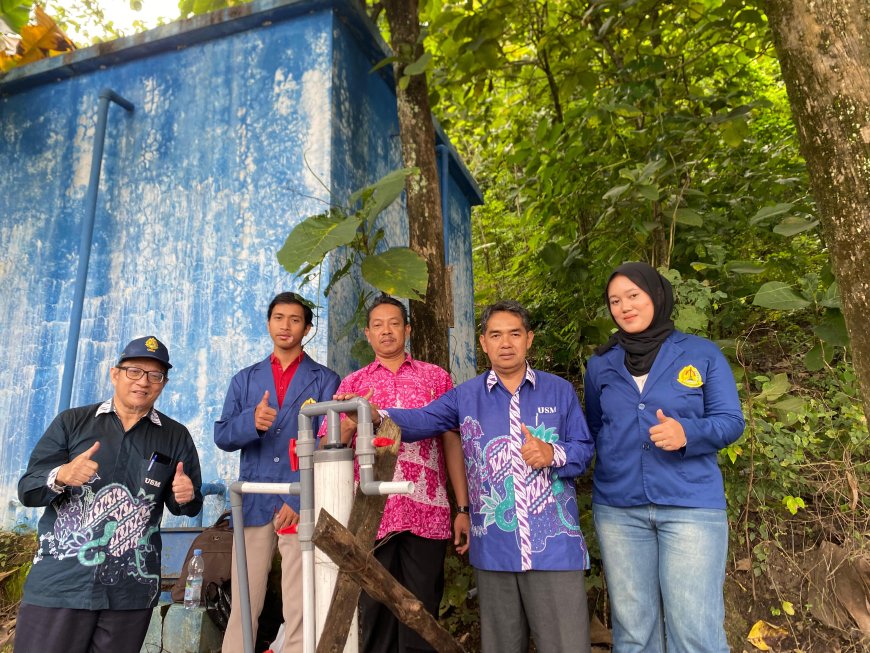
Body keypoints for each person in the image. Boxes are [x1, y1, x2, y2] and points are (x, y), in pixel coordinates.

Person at [346, 300, 594, 653]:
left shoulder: (559, 391)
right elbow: (423, 420)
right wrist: (377, 415)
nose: (505, 343)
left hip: (554, 548)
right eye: (496, 335)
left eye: (514, 334)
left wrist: (553, 454)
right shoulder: (466, 396)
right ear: (483, 342)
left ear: (529, 339)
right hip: (495, 547)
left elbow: (584, 450)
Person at [583, 262, 745, 653]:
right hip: (619, 508)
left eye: (633, 296)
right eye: (615, 301)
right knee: (634, 634)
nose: (624, 307)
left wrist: (688, 433)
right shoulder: (601, 364)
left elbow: (731, 421)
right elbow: (594, 427)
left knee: (695, 634)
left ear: (656, 295)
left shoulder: (701, 354)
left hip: (690, 505)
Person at [16, 336, 203, 653]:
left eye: (154, 375)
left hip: (130, 590)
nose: (143, 382)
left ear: (163, 384)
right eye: (134, 371)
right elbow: (28, 489)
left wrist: (185, 496)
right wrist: (62, 475)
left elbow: (189, 503)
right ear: (115, 374)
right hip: (61, 584)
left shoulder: (175, 436)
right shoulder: (72, 422)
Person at [327, 295, 470, 653]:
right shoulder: (353, 384)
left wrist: (462, 507)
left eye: (394, 323)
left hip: (427, 511)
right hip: (372, 513)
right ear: (368, 333)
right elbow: (329, 446)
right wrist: (351, 422)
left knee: (422, 610)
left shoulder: (435, 378)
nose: (386, 331)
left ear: (407, 330)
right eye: (378, 325)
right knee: (375, 612)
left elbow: (452, 442)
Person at [215, 291, 340, 653]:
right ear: (269, 323)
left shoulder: (325, 379)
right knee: (244, 599)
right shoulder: (245, 379)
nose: (286, 326)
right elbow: (223, 436)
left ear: (307, 328)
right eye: (279, 318)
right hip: (253, 501)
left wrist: (298, 496)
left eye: (295, 320)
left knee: (299, 601)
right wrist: (250, 422)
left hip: (299, 501)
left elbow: (328, 444)